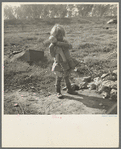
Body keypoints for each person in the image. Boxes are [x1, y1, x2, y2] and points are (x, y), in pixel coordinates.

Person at [49, 24, 80, 98]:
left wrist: (60, 43)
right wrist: (56, 49)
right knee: (59, 77)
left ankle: (69, 89)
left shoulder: (64, 41)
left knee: (67, 76)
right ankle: (58, 92)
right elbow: (52, 55)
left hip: (67, 62)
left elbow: (70, 46)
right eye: (57, 36)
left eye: (61, 35)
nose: (60, 37)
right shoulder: (52, 45)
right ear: (54, 35)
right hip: (59, 63)